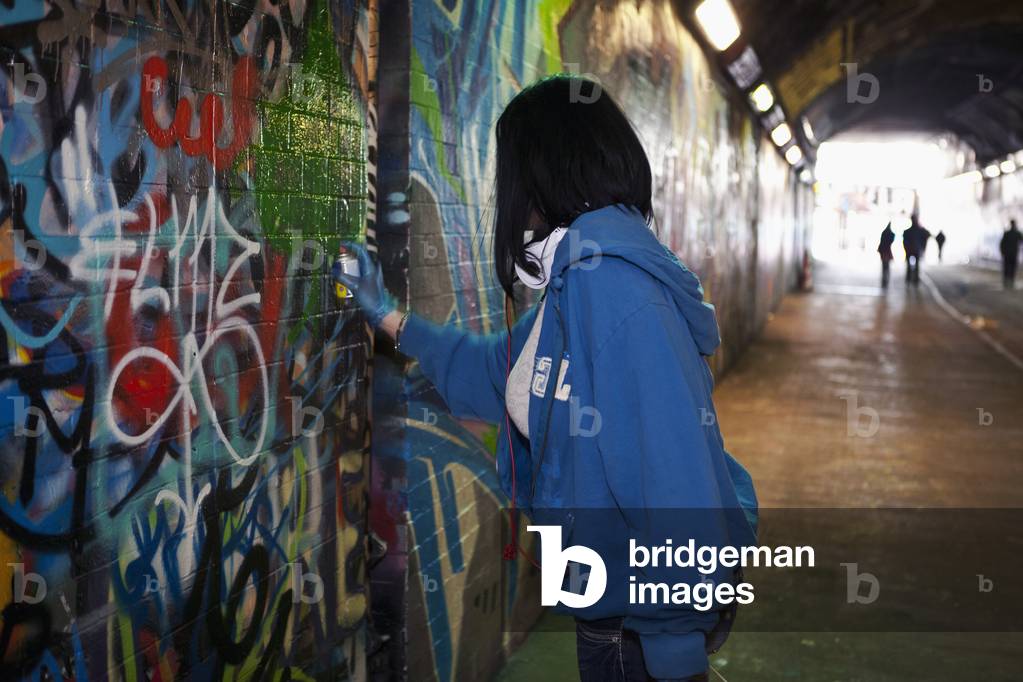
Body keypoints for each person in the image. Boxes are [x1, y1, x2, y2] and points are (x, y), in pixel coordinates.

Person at [334, 76, 757, 682]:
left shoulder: (614, 290)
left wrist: (673, 645)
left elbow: (672, 477)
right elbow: (498, 374)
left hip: (637, 630)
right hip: (610, 614)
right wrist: (388, 319)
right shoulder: (572, 284)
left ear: (542, 174)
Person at [902, 215, 931, 285]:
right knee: (915, 266)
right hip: (915, 250)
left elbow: (905, 241)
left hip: (912, 250)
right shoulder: (919, 230)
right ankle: (914, 279)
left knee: (912, 266)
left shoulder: (910, 231)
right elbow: (927, 234)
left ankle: (910, 279)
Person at [1000, 219, 1022, 288]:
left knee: (1006, 268)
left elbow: (1002, 244)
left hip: (1007, 254)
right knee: (1012, 267)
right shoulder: (1017, 233)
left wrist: (1002, 252)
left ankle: (1006, 281)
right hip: (1014, 254)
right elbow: (1021, 240)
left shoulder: (1007, 233)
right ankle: (1011, 281)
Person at [878, 222, 895, 287]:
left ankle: (884, 280)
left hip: (883, 252)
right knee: (887, 267)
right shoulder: (891, 234)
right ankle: (885, 280)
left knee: (884, 267)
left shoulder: (884, 233)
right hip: (887, 252)